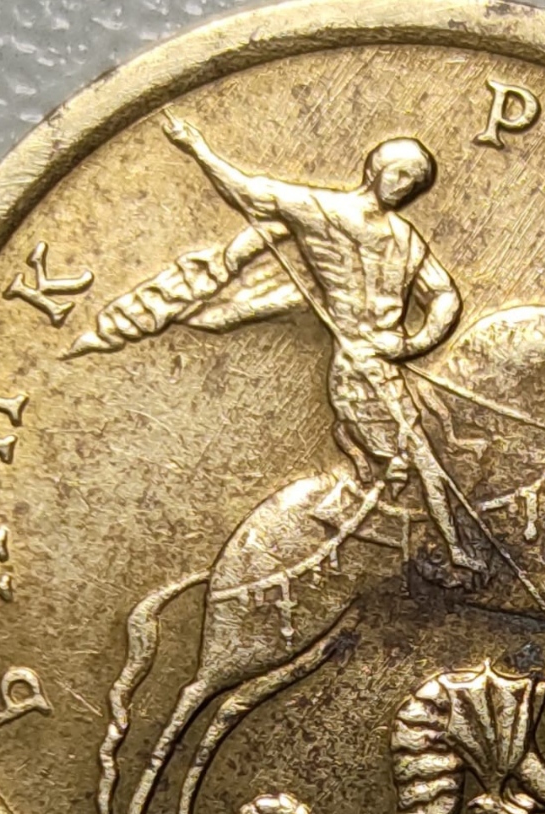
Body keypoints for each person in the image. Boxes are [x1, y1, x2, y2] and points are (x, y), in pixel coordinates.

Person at [162, 116, 485, 573]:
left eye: (414, 182)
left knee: (425, 457)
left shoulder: (405, 238)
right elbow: (249, 192)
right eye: (400, 174)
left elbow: (445, 294)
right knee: (413, 460)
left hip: (385, 365)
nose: (404, 187)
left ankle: (440, 547)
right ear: (375, 168)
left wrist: (414, 343)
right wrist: (198, 148)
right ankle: (424, 552)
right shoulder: (323, 211)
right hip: (355, 370)